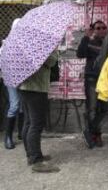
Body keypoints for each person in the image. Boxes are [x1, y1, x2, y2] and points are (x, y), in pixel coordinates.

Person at [19, 51, 59, 173]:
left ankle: (31, 155)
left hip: (25, 87)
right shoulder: (40, 46)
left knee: (29, 122)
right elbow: (52, 61)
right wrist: (54, 51)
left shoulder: (26, 47)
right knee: (36, 124)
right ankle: (36, 161)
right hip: (36, 88)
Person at [77, 20, 108, 148]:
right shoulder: (89, 41)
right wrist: (86, 37)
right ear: (94, 29)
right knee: (92, 109)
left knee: (106, 109)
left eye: (103, 27)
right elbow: (80, 54)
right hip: (92, 79)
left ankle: (91, 131)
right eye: (98, 28)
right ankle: (95, 134)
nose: (101, 30)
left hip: (106, 80)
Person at [1, 18, 24, 150]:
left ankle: (21, 133)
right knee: (15, 105)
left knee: (22, 106)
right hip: (10, 78)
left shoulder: (25, 43)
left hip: (23, 78)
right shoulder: (7, 43)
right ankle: (8, 137)